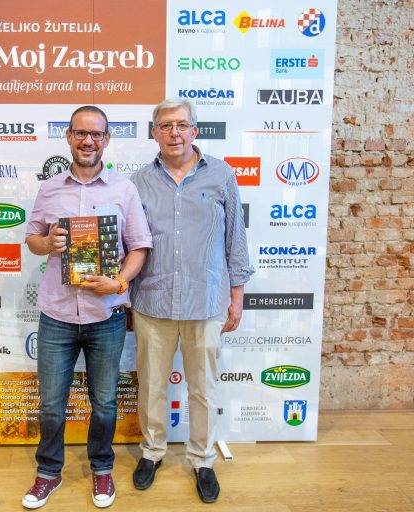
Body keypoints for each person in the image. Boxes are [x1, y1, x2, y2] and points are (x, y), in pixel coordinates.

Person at [22, 105, 152, 509]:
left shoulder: (123, 189)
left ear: (106, 140)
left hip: (106, 315)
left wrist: (120, 282)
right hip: (57, 315)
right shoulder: (49, 189)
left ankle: (102, 468)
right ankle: (48, 473)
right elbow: (32, 238)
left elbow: (140, 247)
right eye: (80, 133)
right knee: (50, 404)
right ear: (69, 137)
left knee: (106, 403)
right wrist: (48, 244)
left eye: (96, 134)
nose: (88, 140)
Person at [129, 98, 254, 503]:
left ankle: (202, 460)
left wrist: (237, 296)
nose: (174, 132)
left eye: (182, 125)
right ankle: (152, 452)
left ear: (195, 131)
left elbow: (236, 238)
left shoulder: (221, 175)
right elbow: (129, 242)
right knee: (151, 387)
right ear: (154, 133)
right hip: (153, 302)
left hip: (206, 301)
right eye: (165, 125)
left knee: (203, 389)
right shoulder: (138, 181)